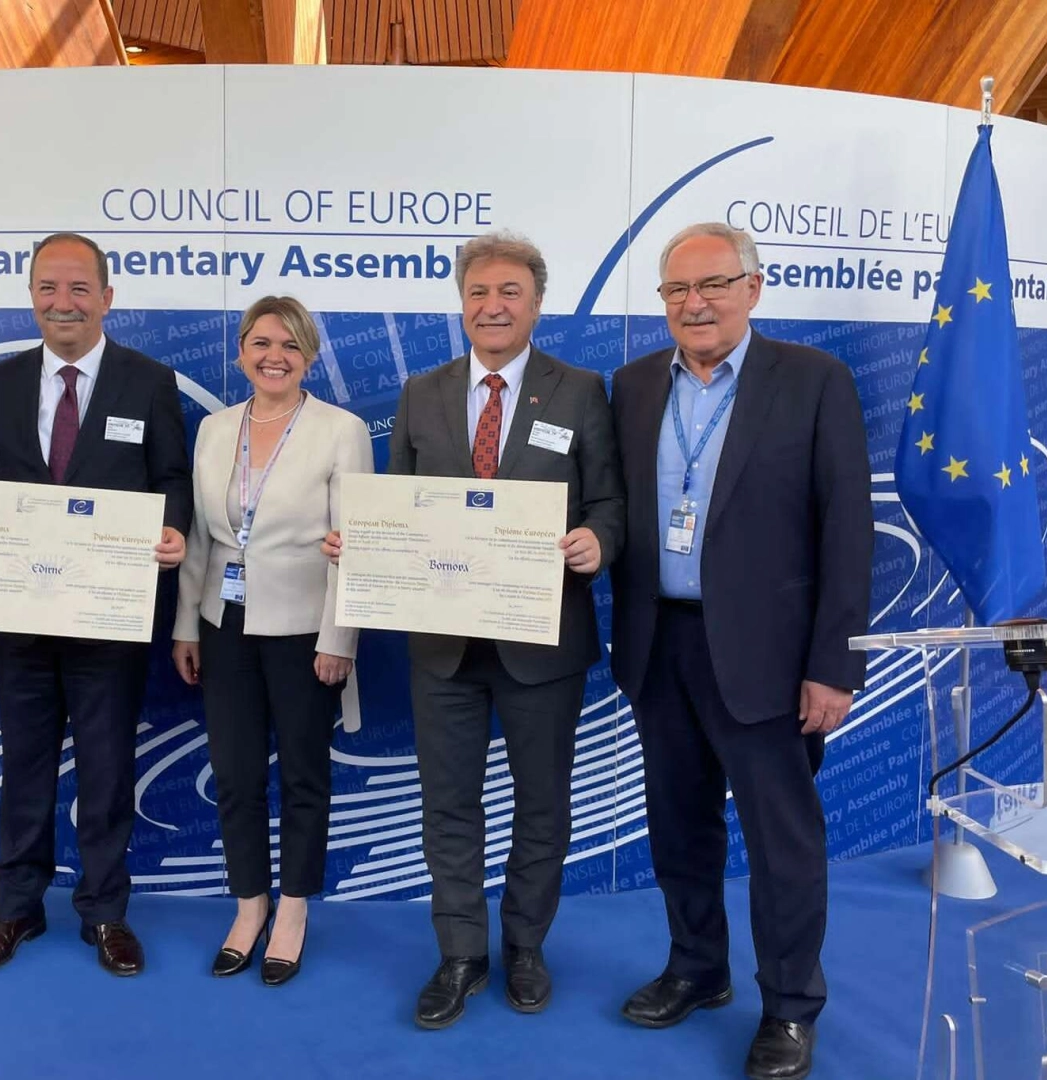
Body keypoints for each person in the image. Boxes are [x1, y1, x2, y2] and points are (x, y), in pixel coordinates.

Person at [324, 230, 624, 1028]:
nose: (492, 306)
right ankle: (460, 953)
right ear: (461, 304)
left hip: (543, 639)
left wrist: (597, 542)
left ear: (536, 303)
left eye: (508, 293)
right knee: (448, 804)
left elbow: (608, 501)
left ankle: (524, 945)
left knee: (542, 804)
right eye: (478, 293)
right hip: (442, 644)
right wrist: (367, 544)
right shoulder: (421, 392)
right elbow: (398, 504)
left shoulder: (580, 391)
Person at [608, 222, 872, 1080]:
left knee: (780, 844)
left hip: (771, 658)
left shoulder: (813, 380)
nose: (695, 304)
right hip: (659, 645)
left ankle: (790, 1006)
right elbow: (607, 507)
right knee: (677, 826)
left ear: (752, 289)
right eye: (677, 290)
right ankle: (696, 967)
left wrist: (832, 664)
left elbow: (847, 529)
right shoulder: (632, 386)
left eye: (713, 285)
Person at [0, 232, 192, 977]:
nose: (62, 302)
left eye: (78, 288)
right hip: (22, 613)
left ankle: (104, 912)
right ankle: (14, 910)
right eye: (48, 287)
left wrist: (173, 527)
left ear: (107, 297)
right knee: (25, 765)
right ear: (31, 296)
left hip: (108, 612)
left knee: (106, 766)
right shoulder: (3, 383)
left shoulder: (148, 381)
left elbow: (170, 477)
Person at [170, 295, 372, 985]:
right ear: (240, 353)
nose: (274, 357)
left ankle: (292, 910)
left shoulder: (341, 430)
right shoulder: (214, 429)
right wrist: (186, 624)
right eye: (260, 343)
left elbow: (355, 542)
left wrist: (339, 636)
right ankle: (249, 904)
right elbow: (201, 537)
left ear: (308, 355)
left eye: (289, 344)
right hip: (223, 625)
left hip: (304, 629)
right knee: (234, 775)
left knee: (303, 777)